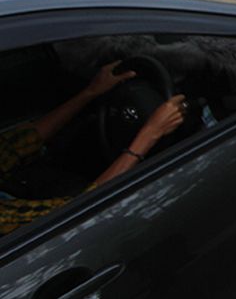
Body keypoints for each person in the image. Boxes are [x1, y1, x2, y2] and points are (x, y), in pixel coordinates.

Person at [1, 62, 187, 235]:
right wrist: (151, 132)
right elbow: (75, 211)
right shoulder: (5, 219)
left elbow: (18, 143)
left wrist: (90, 92)